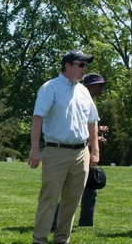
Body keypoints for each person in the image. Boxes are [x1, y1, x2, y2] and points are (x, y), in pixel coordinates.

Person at [28, 50, 100, 244]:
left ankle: (62, 239)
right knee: (49, 197)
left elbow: (92, 122)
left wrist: (95, 150)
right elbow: (37, 118)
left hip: (81, 153)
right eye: (81, 65)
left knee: (72, 199)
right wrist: (35, 149)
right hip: (56, 150)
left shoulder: (83, 91)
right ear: (68, 66)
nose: (85, 69)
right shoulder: (50, 88)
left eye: (86, 65)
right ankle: (40, 239)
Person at [51, 73, 108, 230]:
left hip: (86, 152)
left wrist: (97, 136)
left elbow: (90, 126)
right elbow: (75, 128)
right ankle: (54, 222)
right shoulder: (76, 99)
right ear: (90, 86)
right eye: (100, 85)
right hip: (77, 152)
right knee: (71, 190)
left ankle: (86, 222)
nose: (102, 89)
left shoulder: (88, 101)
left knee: (90, 187)